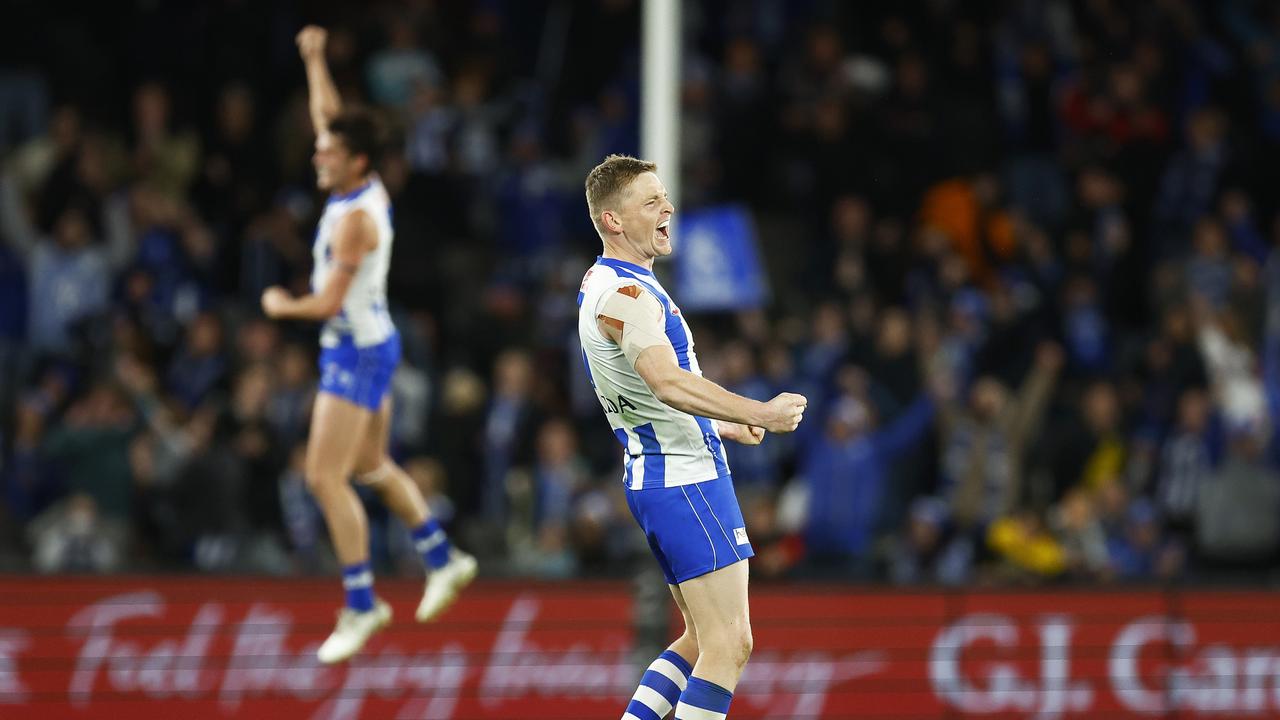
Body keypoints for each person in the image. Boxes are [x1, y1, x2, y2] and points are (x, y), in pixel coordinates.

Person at [260, 25, 475, 665]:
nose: (317, 153)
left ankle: (361, 603)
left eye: (328, 151)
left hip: (354, 351)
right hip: (374, 343)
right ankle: (443, 556)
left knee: (322, 475)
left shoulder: (355, 220)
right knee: (368, 467)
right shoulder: (360, 182)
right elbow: (331, 117)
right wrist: (317, 59)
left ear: (355, 161)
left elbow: (325, 303)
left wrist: (280, 304)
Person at [577, 154, 807, 720]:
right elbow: (665, 380)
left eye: (665, 198)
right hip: (686, 480)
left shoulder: (605, 284)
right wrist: (764, 410)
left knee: (700, 641)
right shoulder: (626, 297)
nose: (668, 209)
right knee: (730, 645)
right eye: (651, 202)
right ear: (613, 220)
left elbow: (642, 393)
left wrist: (722, 423)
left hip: (661, 474)